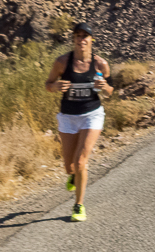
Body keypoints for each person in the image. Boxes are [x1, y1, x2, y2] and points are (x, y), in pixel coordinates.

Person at [45, 22, 113, 221]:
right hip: (67, 117)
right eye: (78, 36)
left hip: (91, 114)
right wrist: (55, 86)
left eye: (85, 36)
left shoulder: (100, 64)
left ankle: (78, 206)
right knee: (70, 166)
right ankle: (74, 175)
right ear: (74, 39)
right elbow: (48, 85)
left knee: (81, 161)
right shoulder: (62, 62)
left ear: (91, 40)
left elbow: (110, 91)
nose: (81, 39)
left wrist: (105, 86)